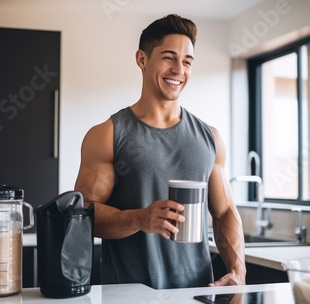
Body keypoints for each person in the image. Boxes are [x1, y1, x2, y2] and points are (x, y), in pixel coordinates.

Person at [74, 14, 246, 289]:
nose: (179, 69)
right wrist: (139, 218)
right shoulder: (107, 134)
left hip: (197, 296)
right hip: (128, 301)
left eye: (187, 61)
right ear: (142, 59)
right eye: (169, 57)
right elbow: (82, 214)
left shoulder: (210, 138)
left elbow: (224, 212)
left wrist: (238, 269)